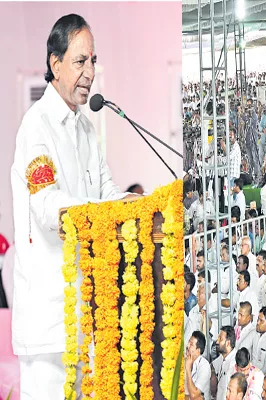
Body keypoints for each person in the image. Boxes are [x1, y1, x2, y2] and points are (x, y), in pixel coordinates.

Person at [10, 14, 139, 398]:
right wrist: (103, 210)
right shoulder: (36, 126)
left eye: (93, 61)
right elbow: (49, 207)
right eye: (80, 61)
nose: (90, 72)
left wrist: (133, 204)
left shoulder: (85, 127)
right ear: (55, 64)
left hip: (88, 314)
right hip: (49, 324)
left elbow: (106, 189)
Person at [185, 331, 211, 399]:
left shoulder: (204, 366)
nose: (187, 346)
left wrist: (188, 369)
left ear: (198, 350)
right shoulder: (184, 360)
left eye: (191, 344)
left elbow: (194, 395)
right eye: (188, 342)